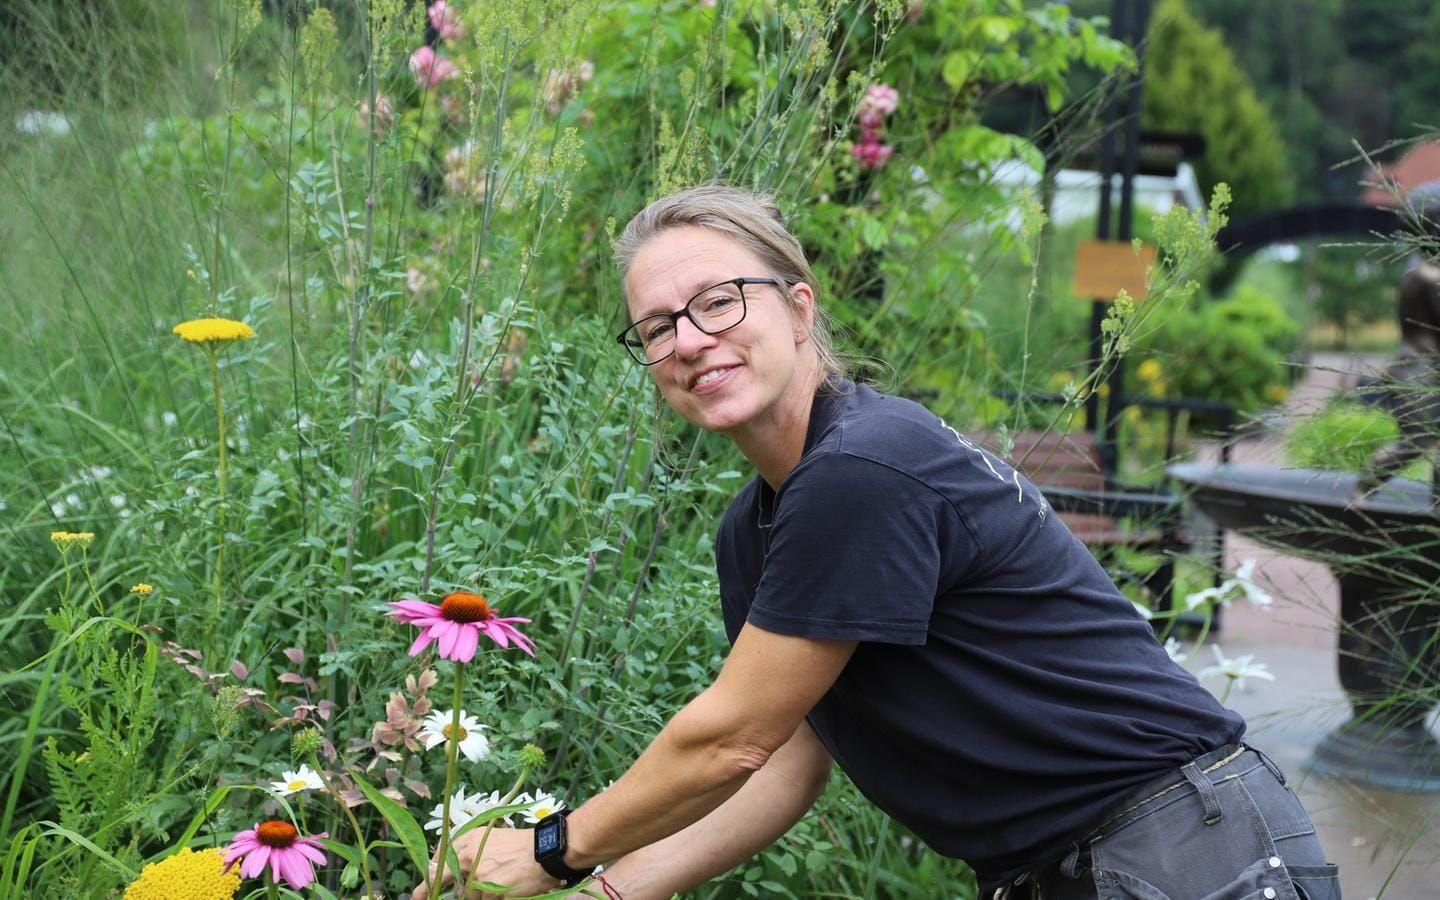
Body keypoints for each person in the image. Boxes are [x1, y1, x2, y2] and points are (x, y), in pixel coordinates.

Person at [413, 185, 1339, 900]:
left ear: (800, 309)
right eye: (658, 328)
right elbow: (782, 758)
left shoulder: (864, 465)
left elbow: (730, 739)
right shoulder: (759, 528)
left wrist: (550, 850)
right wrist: (619, 884)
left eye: (719, 302)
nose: (691, 340)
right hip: (1081, 862)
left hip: (1180, 845)